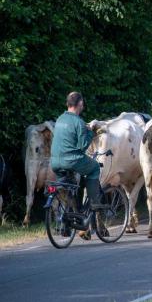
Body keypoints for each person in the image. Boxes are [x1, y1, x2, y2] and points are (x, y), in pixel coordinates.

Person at [50, 92, 107, 236]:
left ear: (67, 103)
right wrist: (91, 132)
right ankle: (95, 202)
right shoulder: (79, 122)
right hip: (72, 160)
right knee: (94, 168)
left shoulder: (60, 119)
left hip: (55, 161)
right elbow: (82, 146)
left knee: (70, 189)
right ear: (80, 104)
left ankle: (68, 224)